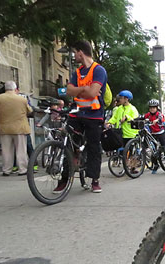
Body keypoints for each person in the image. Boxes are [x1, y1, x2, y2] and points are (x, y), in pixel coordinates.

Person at [59, 40, 108, 193]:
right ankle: (64, 179)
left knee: (94, 147)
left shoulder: (99, 70)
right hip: (77, 113)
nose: (74, 55)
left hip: (94, 115)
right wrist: (85, 88)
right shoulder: (78, 72)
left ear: (81, 52)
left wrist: (79, 90)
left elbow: (92, 93)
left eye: (75, 52)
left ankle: (95, 180)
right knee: (68, 145)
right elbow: (69, 91)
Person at [0, 81, 32, 176]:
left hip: (4, 127)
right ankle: (22, 169)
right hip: (20, 128)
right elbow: (29, 110)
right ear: (15, 88)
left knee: (6, 150)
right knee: (21, 149)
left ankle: (6, 170)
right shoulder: (21, 99)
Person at [144, 99, 165, 174]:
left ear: (156, 108)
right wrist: (135, 119)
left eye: (154, 107)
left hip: (160, 133)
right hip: (153, 134)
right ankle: (156, 165)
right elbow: (142, 117)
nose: (152, 109)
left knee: (164, 147)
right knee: (153, 151)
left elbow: (161, 119)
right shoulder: (148, 115)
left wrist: (156, 120)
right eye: (151, 108)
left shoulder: (159, 114)